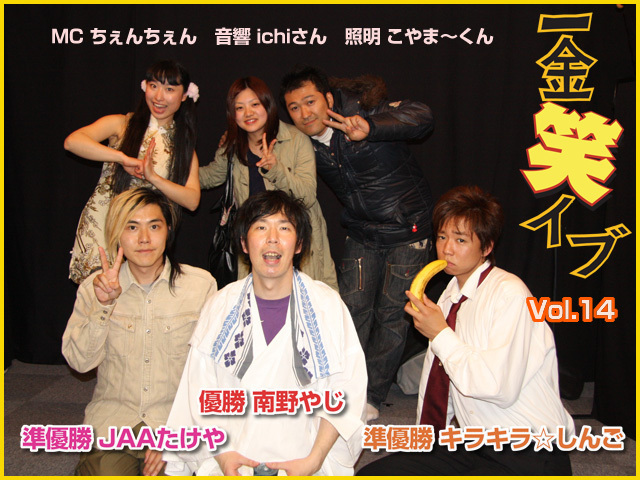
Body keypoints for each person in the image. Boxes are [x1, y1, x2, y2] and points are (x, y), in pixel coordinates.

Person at [357, 185, 575, 476]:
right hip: (473, 444)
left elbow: (498, 388)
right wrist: (425, 448)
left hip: (529, 448)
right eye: (442, 237)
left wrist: (440, 334)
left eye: (460, 240)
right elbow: (437, 384)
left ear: (487, 247)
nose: (447, 248)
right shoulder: (448, 297)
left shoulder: (510, 293)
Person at [163, 190, 366, 476]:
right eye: (261, 227)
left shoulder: (327, 306)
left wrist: (314, 460)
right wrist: (223, 457)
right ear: (244, 244)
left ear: (299, 244)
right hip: (231, 461)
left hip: (307, 462)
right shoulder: (221, 305)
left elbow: (347, 390)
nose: (272, 238)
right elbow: (197, 390)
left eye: (284, 228)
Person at [281, 66, 435, 420]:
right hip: (362, 231)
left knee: (393, 316)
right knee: (350, 310)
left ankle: (372, 396)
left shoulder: (363, 108)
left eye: (310, 102)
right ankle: (342, 388)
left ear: (328, 98)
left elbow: (423, 116)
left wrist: (371, 127)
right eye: (294, 107)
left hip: (408, 230)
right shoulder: (300, 142)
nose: (305, 113)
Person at [62, 187, 217, 476]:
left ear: (168, 231)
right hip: (113, 421)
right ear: (116, 234)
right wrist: (103, 306)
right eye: (132, 227)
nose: (144, 238)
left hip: (174, 420)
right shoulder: (94, 288)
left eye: (154, 226)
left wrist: (176, 436)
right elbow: (79, 363)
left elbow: (211, 374)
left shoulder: (201, 286)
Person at [65, 60, 201, 284]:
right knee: (98, 293)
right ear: (144, 87)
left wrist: (153, 177)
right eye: (154, 86)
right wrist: (122, 158)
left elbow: (192, 200)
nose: (159, 97)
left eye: (169, 89)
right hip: (102, 225)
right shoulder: (121, 124)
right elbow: (73, 142)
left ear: (184, 95)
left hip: (144, 237)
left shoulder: (184, 148)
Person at [199, 76, 337, 290]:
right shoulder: (233, 147)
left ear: (267, 104)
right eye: (240, 108)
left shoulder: (295, 139)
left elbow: (307, 196)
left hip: (297, 245)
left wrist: (275, 168)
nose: (248, 113)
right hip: (255, 245)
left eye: (255, 104)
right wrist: (167, 170)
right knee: (257, 303)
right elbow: (208, 177)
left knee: (306, 302)